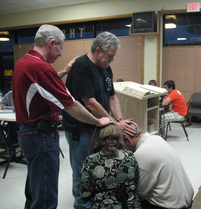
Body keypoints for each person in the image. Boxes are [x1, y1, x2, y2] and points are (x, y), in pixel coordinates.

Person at [13, 24, 112, 209]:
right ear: (51, 44)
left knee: (35, 188)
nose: (60, 54)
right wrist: (98, 120)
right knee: (45, 193)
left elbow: (43, 87)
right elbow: (71, 105)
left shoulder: (24, 63)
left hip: (28, 133)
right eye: (60, 48)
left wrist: (65, 71)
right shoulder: (41, 67)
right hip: (40, 134)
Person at [62, 31, 136, 209]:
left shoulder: (105, 68)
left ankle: (95, 203)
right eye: (109, 56)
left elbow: (112, 97)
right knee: (83, 172)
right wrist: (115, 124)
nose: (112, 60)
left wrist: (120, 120)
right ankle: (82, 205)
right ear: (97, 50)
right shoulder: (81, 66)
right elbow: (90, 103)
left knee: (100, 169)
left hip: (99, 127)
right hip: (81, 130)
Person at [124, 124, 194, 209]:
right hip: (186, 199)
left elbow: (141, 195)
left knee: (129, 200)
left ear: (128, 140)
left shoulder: (141, 154)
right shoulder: (155, 138)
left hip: (172, 206)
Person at [79, 124, 142, 209]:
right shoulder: (130, 156)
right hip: (130, 205)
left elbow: (85, 193)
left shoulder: (91, 160)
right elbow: (136, 181)